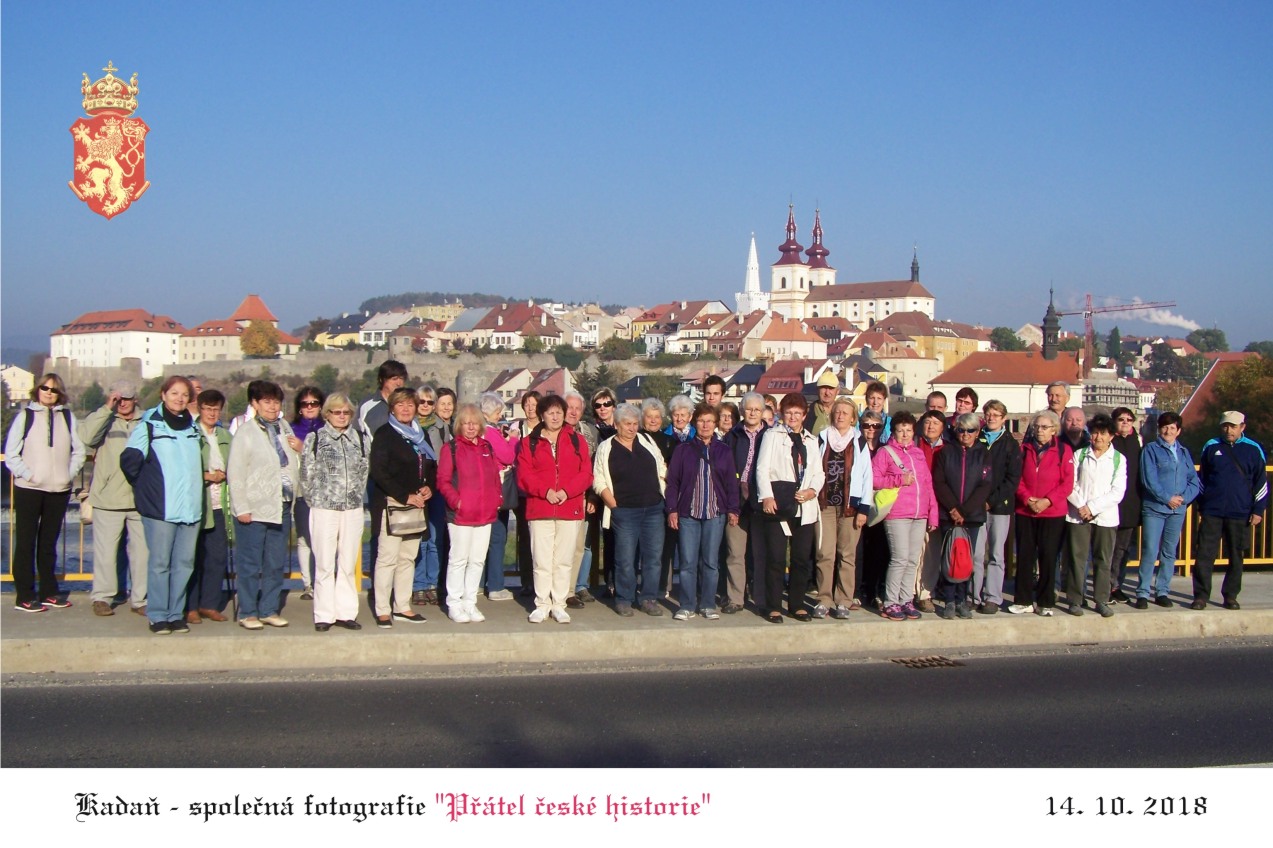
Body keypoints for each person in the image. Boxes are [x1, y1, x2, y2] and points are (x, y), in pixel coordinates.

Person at [120, 376, 203, 634]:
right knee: (160, 563)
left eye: (184, 395)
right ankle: (158, 615)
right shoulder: (149, 426)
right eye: (174, 393)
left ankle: (176, 614)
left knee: (184, 564)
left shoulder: (192, 428)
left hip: (190, 508)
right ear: (163, 395)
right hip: (161, 509)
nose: (179, 398)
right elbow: (130, 461)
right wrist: (149, 489)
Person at [5, 373, 86, 613]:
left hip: (58, 490)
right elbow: (11, 453)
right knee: (26, 543)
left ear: (59, 394)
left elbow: (79, 451)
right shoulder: (25, 416)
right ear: (37, 390)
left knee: (49, 544)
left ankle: (49, 592)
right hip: (29, 489)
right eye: (44, 388)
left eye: (53, 390)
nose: (49, 393)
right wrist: (29, 475)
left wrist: (67, 475)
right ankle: (25, 596)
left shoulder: (68, 418)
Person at [227, 380, 300, 631]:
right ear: (255, 404)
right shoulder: (246, 433)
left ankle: (268, 609)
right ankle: (248, 611)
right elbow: (235, 473)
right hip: (254, 508)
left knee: (275, 562)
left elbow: (290, 462)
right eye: (266, 401)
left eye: (276, 401)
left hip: (281, 504)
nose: (272, 406)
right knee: (249, 563)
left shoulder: (284, 427)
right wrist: (242, 507)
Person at [516, 394, 593, 623]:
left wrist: (566, 492)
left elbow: (586, 474)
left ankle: (559, 604)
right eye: (550, 412)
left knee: (563, 560)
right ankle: (542, 603)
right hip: (540, 507)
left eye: (559, 411)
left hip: (569, 508)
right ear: (542, 415)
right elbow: (524, 475)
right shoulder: (529, 442)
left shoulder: (577, 440)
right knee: (541, 560)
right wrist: (545, 491)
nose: (556, 416)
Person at [301, 393, 371, 631]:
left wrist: (355, 497)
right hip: (324, 507)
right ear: (327, 414)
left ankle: (346, 612)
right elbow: (306, 474)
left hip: (352, 507)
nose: (341, 416)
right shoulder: (315, 439)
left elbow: (364, 470)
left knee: (348, 561)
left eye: (346, 412)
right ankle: (323, 614)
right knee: (324, 561)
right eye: (336, 412)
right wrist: (316, 500)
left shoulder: (360, 440)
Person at [80, 378, 148, 617]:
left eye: (127, 398)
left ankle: (140, 599)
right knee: (106, 554)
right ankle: (102, 597)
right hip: (108, 498)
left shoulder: (147, 421)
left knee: (142, 554)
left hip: (139, 498)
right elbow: (87, 438)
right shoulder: (104, 419)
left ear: (135, 399)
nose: (123, 403)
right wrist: (106, 409)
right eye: (118, 399)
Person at [665, 403, 739, 621]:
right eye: (701, 421)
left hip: (715, 514)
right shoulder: (683, 450)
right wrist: (672, 510)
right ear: (694, 423)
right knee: (687, 562)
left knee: (710, 562)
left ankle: (707, 604)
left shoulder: (724, 451)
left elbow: (731, 485)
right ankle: (687, 605)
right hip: (689, 514)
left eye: (709, 421)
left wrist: (733, 509)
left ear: (715, 424)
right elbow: (673, 484)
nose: (705, 425)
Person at [368, 388, 435, 628]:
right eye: (400, 405)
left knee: (408, 557)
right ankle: (383, 609)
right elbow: (379, 472)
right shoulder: (385, 434)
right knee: (387, 558)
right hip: (393, 503)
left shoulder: (421, 434)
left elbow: (430, 466)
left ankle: (402, 606)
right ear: (392, 408)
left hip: (417, 503)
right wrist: (404, 495)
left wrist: (429, 487)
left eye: (410, 405)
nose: (406, 409)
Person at [593, 404, 668, 617]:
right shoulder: (606, 448)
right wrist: (613, 505)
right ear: (617, 425)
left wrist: (663, 485)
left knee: (653, 557)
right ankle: (624, 599)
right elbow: (598, 479)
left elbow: (661, 466)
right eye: (627, 424)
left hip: (653, 509)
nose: (632, 428)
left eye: (635, 424)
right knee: (625, 558)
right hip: (624, 511)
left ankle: (648, 598)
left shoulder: (647, 441)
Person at [756, 392, 824, 623]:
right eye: (788, 413)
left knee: (801, 558)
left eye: (797, 413)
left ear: (804, 415)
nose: (793, 417)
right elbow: (761, 468)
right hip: (779, 503)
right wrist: (766, 496)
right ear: (781, 414)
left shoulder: (812, 441)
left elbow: (818, 472)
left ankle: (797, 604)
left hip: (805, 506)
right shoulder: (772, 435)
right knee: (776, 557)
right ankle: (773, 605)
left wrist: (812, 490)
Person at [1190, 411, 1268, 610]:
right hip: (1212, 511)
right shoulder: (1211, 446)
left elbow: (1261, 482)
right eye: (1225, 426)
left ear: (1242, 427)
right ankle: (1200, 596)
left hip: (1240, 511)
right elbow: (1202, 479)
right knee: (1205, 554)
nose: (1229, 430)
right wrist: (1202, 504)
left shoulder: (1253, 449)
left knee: (1236, 555)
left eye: (1233, 426)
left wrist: (1258, 510)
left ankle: (1231, 596)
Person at [437, 403, 503, 623]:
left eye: (474, 423)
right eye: (466, 423)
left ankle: (470, 602)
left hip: (485, 514)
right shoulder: (451, 448)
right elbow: (443, 481)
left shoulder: (486, 447)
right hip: (461, 515)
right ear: (459, 426)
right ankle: (454, 603)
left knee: (477, 560)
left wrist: (496, 499)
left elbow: (495, 477)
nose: (471, 427)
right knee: (458, 559)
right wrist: (457, 502)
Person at [871, 411, 937, 622]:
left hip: (920, 514)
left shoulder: (918, 453)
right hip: (898, 513)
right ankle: (891, 601)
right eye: (901, 430)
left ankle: (906, 598)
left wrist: (932, 513)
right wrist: (898, 480)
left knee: (912, 560)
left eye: (909, 430)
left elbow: (928, 485)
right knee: (899, 558)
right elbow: (874, 479)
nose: (905, 434)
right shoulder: (885, 453)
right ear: (894, 431)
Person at [1008, 411, 1074, 616]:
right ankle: (1023, 600)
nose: (1040, 431)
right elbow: (1016, 478)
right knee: (1025, 556)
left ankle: (1046, 602)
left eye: (1044, 427)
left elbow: (1067, 483)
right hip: (1026, 511)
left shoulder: (1064, 450)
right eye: (1037, 427)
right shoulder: (1024, 449)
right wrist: (1027, 499)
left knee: (1048, 557)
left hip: (1052, 513)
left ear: (1054, 429)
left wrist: (1047, 501)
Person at [1135, 411, 1201, 609]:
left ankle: (1162, 591)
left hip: (1177, 510)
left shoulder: (1184, 452)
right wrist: (1167, 498)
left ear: (1178, 431)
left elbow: (1194, 480)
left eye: (1172, 427)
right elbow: (1149, 479)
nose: (1168, 430)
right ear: (1159, 429)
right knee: (1149, 550)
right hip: (1155, 508)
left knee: (1169, 552)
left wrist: (1183, 499)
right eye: (1165, 426)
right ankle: (1143, 592)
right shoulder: (1150, 450)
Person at [1063, 414, 1126, 618]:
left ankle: (1101, 599)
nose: (1098, 437)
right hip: (1078, 515)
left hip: (1105, 516)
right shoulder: (1080, 455)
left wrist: (1092, 507)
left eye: (1103, 433)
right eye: (1095, 433)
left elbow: (1117, 491)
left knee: (1103, 560)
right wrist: (1082, 506)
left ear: (1111, 436)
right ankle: (1074, 599)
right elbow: (1070, 484)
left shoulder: (1118, 459)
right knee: (1077, 558)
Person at [814, 398, 872, 619]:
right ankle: (824, 598)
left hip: (850, 508)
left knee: (847, 555)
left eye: (845, 413)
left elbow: (867, 476)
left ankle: (843, 600)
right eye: (837, 412)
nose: (840, 416)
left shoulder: (859, 442)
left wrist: (863, 509)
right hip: (825, 505)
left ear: (853, 418)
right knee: (824, 553)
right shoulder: (821, 438)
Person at [932, 413, 994, 619]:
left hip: (972, 516)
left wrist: (965, 511)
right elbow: (939, 482)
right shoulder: (945, 453)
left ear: (977, 432)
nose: (965, 434)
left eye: (970, 430)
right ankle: (949, 600)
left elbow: (985, 485)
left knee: (966, 560)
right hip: (949, 515)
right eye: (961, 430)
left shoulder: (983, 454)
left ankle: (962, 600)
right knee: (949, 558)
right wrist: (953, 509)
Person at [187, 389, 233, 623]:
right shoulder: (190, 434)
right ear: (200, 409)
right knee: (193, 557)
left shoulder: (226, 436)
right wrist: (207, 475)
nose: (212, 413)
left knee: (216, 557)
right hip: (196, 503)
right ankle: (191, 606)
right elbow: (185, 467)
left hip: (220, 504)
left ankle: (210, 604)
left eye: (216, 409)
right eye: (208, 408)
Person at [723, 392, 768, 613]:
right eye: (749, 409)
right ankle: (735, 598)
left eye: (757, 410)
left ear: (763, 412)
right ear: (742, 410)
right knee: (735, 552)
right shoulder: (732, 436)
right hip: (736, 500)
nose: (752, 413)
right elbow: (724, 470)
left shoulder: (771, 435)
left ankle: (760, 599)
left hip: (760, 500)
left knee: (759, 553)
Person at [977, 400, 1022, 614]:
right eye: (989, 414)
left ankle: (993, 596)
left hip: (1000, 506)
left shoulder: (1010, 444)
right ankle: (973, 594)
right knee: (976, 554)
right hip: (976, 506)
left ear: (1004, 418)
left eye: (996, 414)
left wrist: (991, 500)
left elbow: (1012, 479)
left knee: (996, 554)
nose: (992, 417)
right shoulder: (977, 438)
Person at [478, 392, 520, 602]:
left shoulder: (478, 431)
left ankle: (479, 583)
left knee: (481, 540)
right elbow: (508, 456)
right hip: (497, 492)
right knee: (497, 538)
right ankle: (495, 585)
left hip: (481, 493)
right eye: (498, 412)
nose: (499, 416)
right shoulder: (490, 432)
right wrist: (513, 439)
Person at [287, 386, 325, 600]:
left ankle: (322, 580)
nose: (309, 407)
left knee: (323, 538)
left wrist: (305, 449)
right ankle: (308, 584)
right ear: (299, 407)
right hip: (301, 490)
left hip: (322, 491)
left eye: (314, 403)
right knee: (304, 538)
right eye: (305, 403)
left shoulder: (327, 430)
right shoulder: (291, 430)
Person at [566, 391, 604, 603]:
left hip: (584, 496)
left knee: (584, 544)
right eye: (569, 407)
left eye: (577, 408)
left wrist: (593, 497)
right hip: (561, 498)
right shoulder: (554, 432)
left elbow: (595, 467)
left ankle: (580, 585)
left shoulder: (589, 432)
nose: (573, 411)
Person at [412, 385, 443, 605]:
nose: (425, 406)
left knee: (435, 539)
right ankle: (418, 585)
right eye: (421, 401)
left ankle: (433, 583)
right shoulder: (408, 426)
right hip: (415, 489)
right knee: (418, 540)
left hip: (438, 487)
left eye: (429, 402)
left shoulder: (441, 427)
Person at [913, 409, 947, 611]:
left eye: (935, 423)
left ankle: (926, 593)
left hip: (938, 505)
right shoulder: (915, 445)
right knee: (912, 552)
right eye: (928, 422)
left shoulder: (947, 448)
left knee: (931, 553)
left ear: (942, 427)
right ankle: (908, 593)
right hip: (915, 503)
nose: (931, 426)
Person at [856, 409, 890, 610]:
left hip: (879, 506)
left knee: (879, 550)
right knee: (858, 550)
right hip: (859, 504)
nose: (871, 429)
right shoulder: (855, 447)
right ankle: (858, 590)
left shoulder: (885, 450)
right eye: (867, 425)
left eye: (876, 425)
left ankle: (875, 591)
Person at [1108, 407, 1143, 603]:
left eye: (1130, 419)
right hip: (1110, 504)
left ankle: (1116, 586)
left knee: (1123, 549)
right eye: (1121, 419)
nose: (1125, 422)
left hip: (1131, 503)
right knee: (1106, 548)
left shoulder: (1137, 441)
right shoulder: (1108, 441)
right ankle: (1104, 585)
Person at [512, 390, 542, 598]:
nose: (530, 408)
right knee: (524, 537)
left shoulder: (546, 428)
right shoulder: (517, 428)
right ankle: (527, 581)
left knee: (540, 538)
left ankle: (540, 580)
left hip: (541, 490)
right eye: (527, 404)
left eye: (534, 404)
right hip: (521, 490)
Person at [359, 359, 407, 441]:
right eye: (394, 379)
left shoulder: (409, 404)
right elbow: (357, 432)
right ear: (382, 379)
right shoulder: (367, 405)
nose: (399, 383)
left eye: (401, 378)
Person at [807, 370, 839, 437]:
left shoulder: (845, 412)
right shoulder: (807, 412)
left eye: (831, 388)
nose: (827, 393)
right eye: (823, 388)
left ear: (837, 391)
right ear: (817, 389)